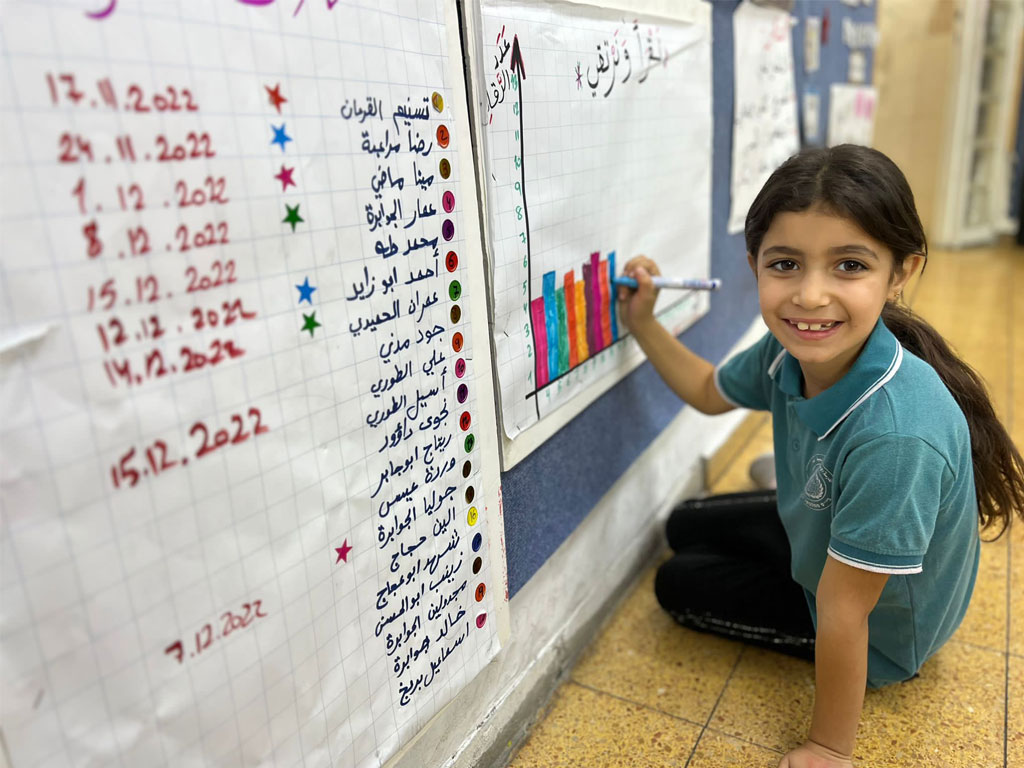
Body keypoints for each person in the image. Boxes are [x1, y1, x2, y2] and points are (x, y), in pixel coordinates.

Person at [617, 145, 1024, 768]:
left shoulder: (895, 436)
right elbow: (706, 392)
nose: (809, 296)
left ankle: (816, 496)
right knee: (685, 523)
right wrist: (643, 323)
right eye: (785, 264)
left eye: (849, 266)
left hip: (881, 632)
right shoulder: (789, 352)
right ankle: (813, 489)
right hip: (825, 542)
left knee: (677, 583)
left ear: (900, 273)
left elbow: (843, 611)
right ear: (755, 263)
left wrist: (830, 748)